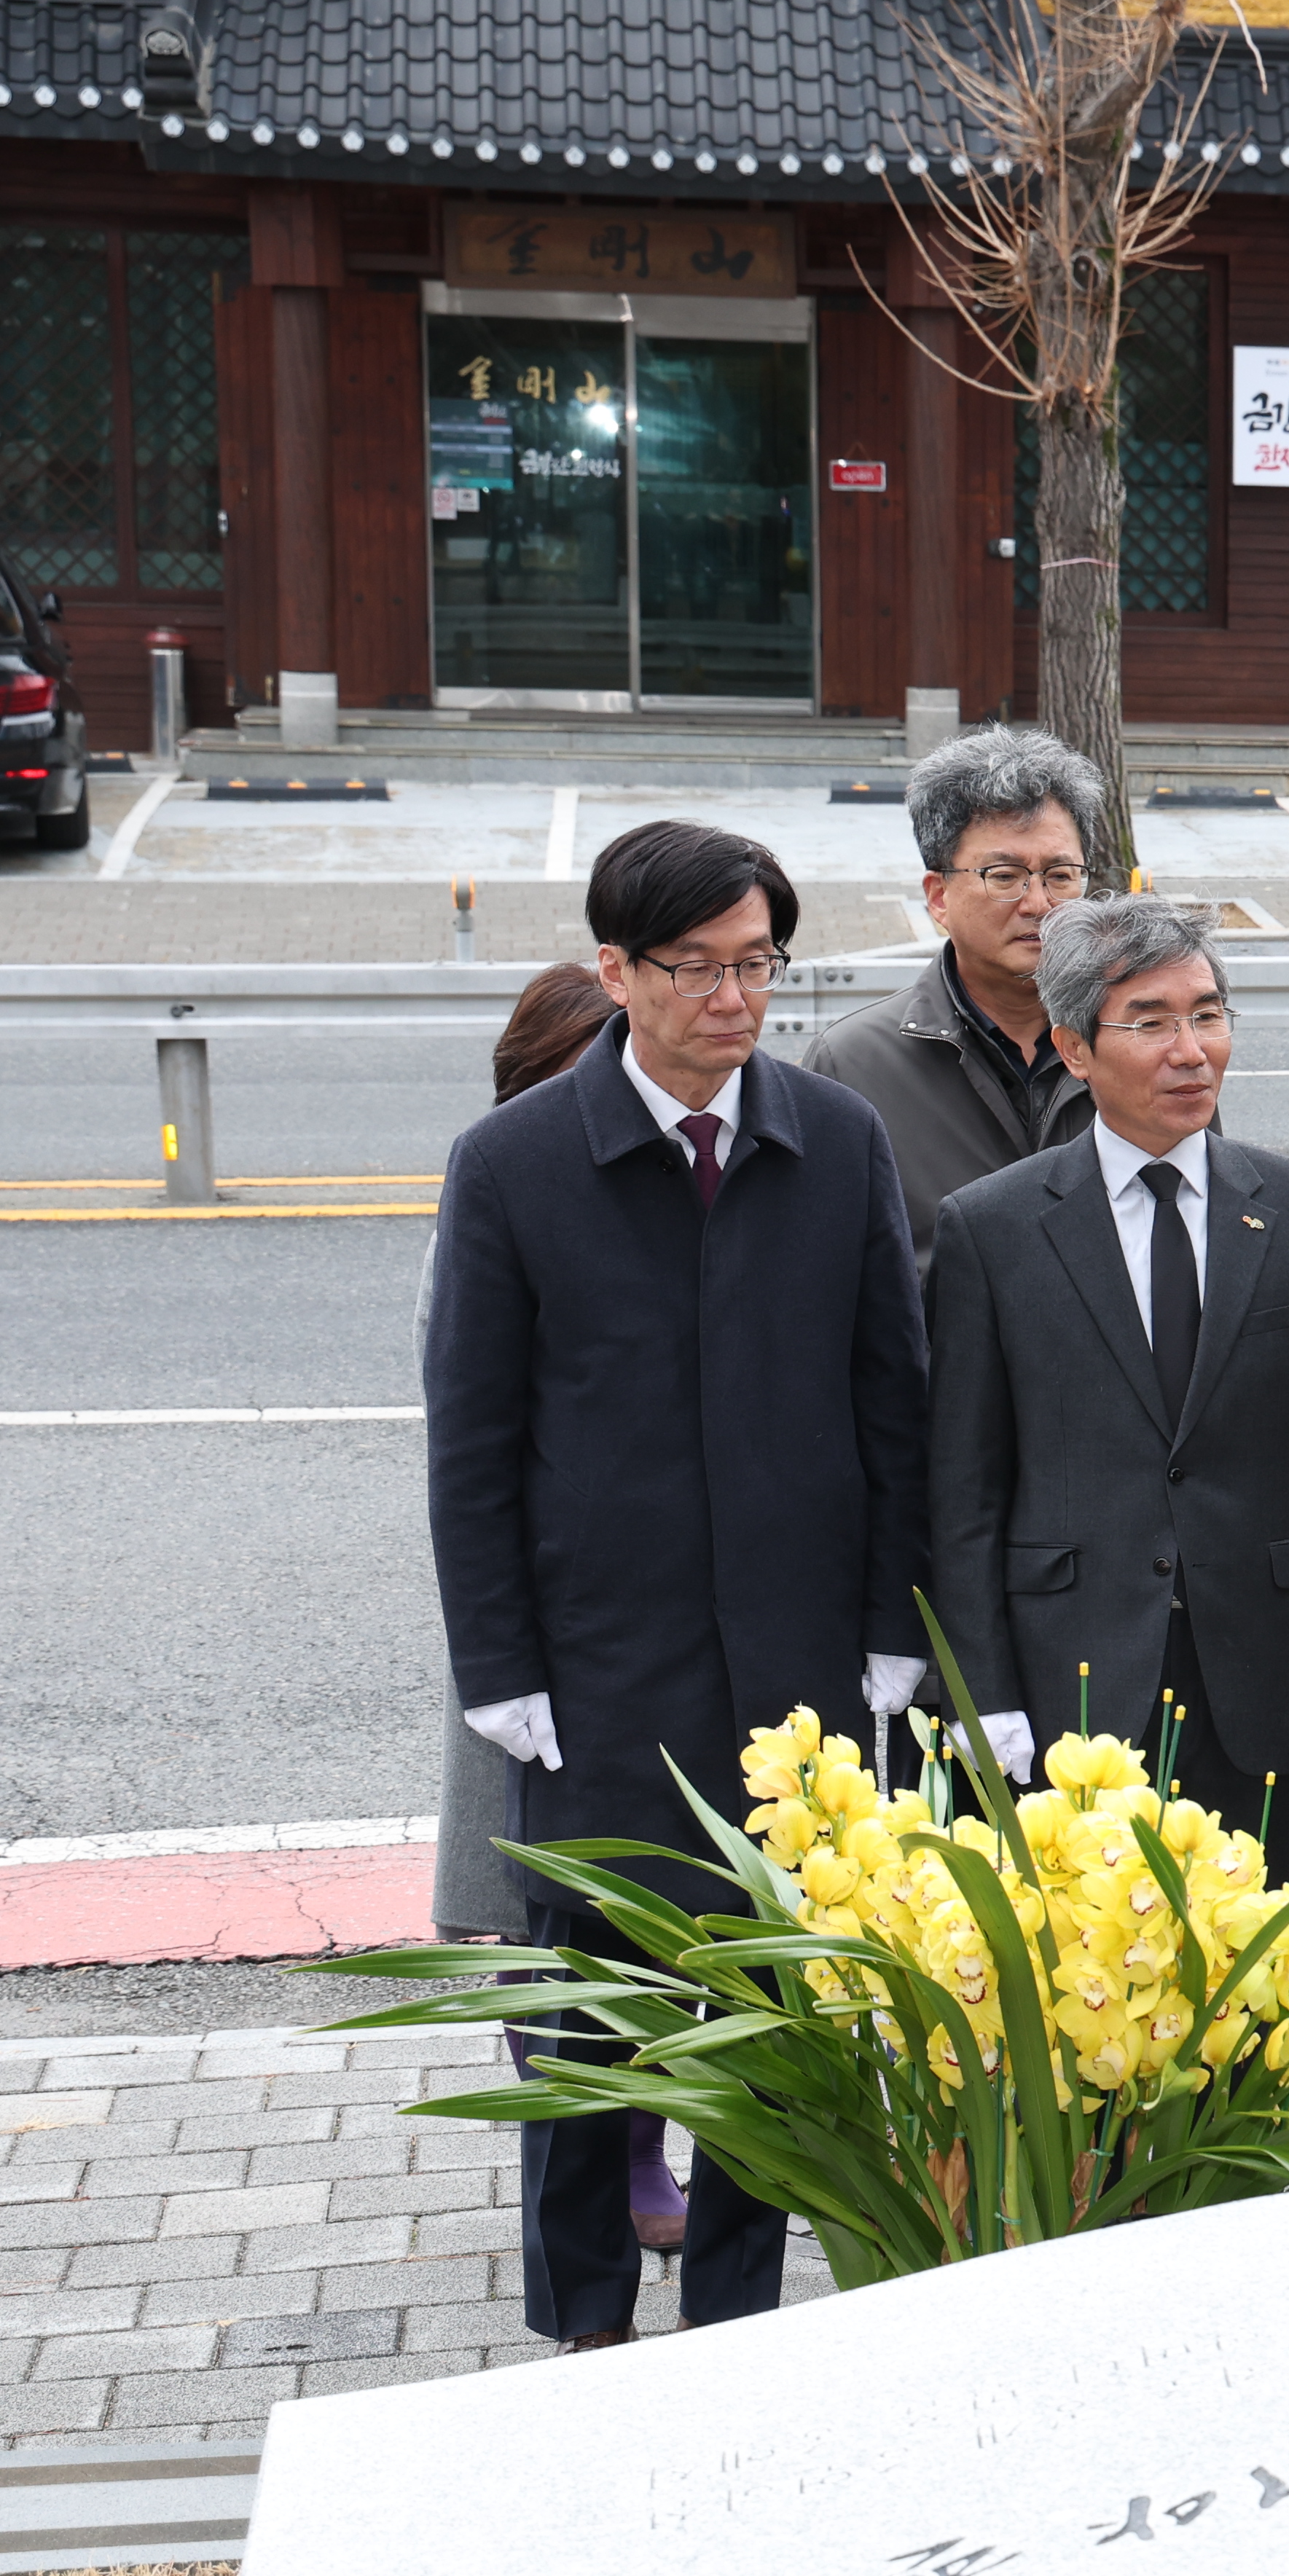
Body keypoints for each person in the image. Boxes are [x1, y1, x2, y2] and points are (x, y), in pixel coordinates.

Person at [425, 822, 932, 2352]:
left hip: (799, 1666)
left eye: (757, 964)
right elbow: (475, 1437)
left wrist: (891, 1626)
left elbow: (892, 1403)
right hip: (600, 1663)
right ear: (617, 973)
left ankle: (736, 2315)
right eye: (698, 968)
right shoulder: (514, 1164)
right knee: (599, 2012)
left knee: (778, 2021)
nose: (734, 998)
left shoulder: (836, 1141)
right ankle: (583, 2317)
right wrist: (498, 1662)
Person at [929, 895, 1289, 1893]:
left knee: (1248, 1987)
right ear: (1075, 1047)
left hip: (1259, 1671)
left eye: (1208, 1013)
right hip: (1068, 1674)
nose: (1192, 1050)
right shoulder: (994, 1229)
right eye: (1152, 1020)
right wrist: (981, 1692)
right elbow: (964, 1488)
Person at [425, 962, 688, 2260]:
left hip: (692, 1615)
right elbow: (470, 1444)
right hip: (545, 1617)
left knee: (683, 1901)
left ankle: (649, 2139)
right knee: (553, 1911)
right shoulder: (499, 1198)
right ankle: (600, 2157)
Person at [804, 724, 1107, 1271]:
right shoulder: (852, 1064)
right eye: (1004, 875)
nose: (1039, 903)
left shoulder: (1141, 1038)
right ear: (939, 897)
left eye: (1061, 875)